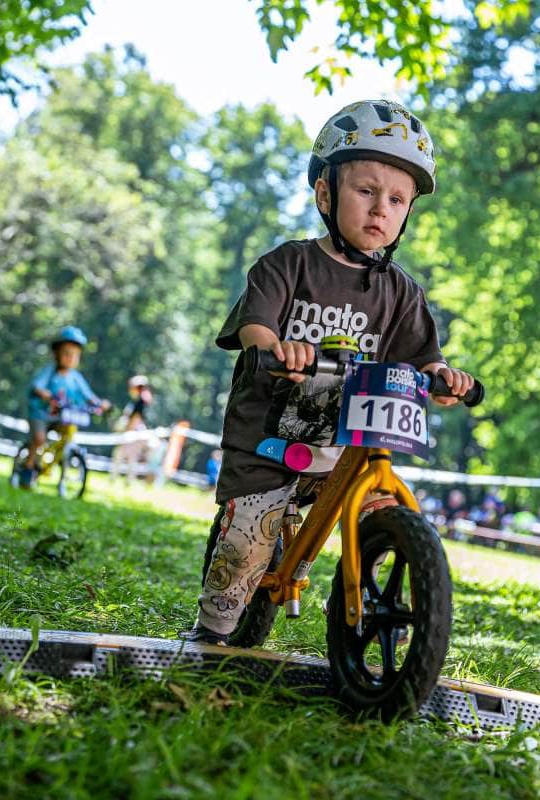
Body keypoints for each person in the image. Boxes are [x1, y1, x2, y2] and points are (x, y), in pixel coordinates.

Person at [183, 100, 476, 644]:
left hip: (347, 446)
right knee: (250, 540)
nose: (381, 209)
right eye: (366, 191)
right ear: (325, 194)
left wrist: (445, 378)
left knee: (383, 510)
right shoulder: (285, 264)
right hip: (272, 439)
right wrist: (278, 348)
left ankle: (368, 604)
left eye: (396, 200)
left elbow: (422, 358)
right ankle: (212, 632)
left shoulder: (402, 292)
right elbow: (256, 328)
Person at [19, 326, 110, 489]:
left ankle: (54, 461)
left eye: (75, 355)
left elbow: (88, 395)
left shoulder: (76, 377)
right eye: (67, 353)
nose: (71, 358)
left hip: (61, 416)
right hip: (40, 413)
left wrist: (100, 403)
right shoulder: (50, 371)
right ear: (57, 354)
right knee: (39, 439)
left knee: (68, 433)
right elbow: (37, 386)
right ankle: (28, 467)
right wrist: (44, 393)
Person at [112, 375, 153, 482]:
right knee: (130, 457)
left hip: (135, 433)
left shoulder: (140, 402)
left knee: (122, 455)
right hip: (138, 433)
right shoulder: (141, 401)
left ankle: (120, 479)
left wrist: (126, 431)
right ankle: (128, 480)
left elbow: (135, 420)